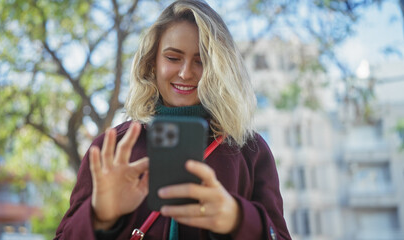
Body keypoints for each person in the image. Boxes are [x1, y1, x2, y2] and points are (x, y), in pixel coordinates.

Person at [55, 0, 291, 239]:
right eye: (173, 58)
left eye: (201, 61)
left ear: (220, 68)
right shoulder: (112, 148)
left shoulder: (250, 150)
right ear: (152, 63)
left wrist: (239, 220)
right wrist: (99, 216)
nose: (186, 73)